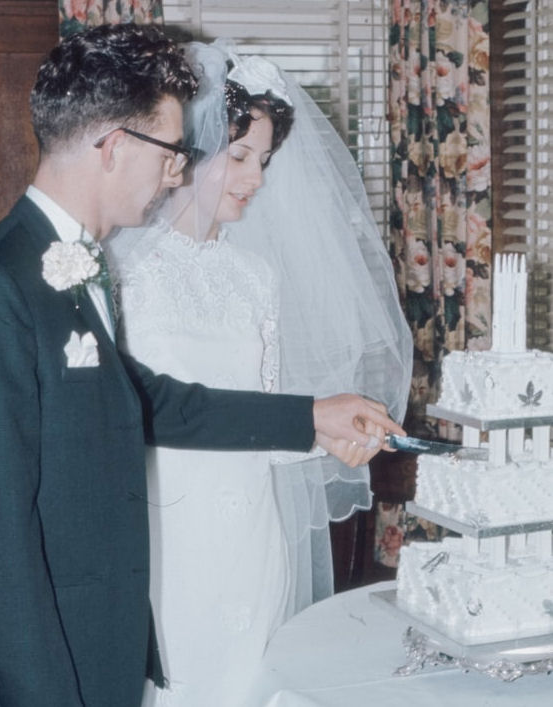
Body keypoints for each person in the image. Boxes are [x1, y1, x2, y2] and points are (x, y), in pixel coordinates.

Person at [0, 23, 406, 707]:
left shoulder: (69, 262)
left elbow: (147, 398)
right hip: (56, 664)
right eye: (173, 152)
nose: (178, 171)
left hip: (114, 639)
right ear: (115, 146)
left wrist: (309, 416)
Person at [109, 40, 413, 707]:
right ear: (185, 152)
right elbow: (126, 414)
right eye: (240, 156)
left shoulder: (256, 276)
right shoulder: (121, 271)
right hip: (165, 532)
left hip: (250, 529)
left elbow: (267, 414)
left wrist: (327, 433)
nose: (254, 179)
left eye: (265, 162)